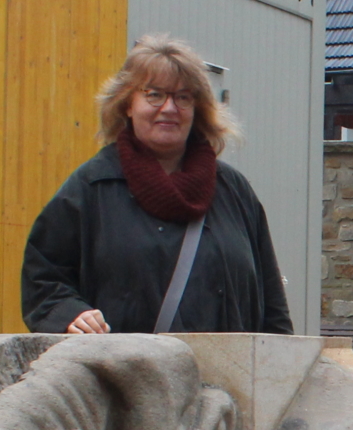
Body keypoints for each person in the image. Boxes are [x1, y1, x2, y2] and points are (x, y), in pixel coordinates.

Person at [23, 34, 292, 337]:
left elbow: (272, 304)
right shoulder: (92, 187)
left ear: (197, 108)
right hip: (127, 379)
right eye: (154, 95)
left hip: (229, 381)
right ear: (127, 103)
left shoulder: (234, 191)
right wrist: (71, 314)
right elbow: (43, 279)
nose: (169, 108)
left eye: (183, 97)